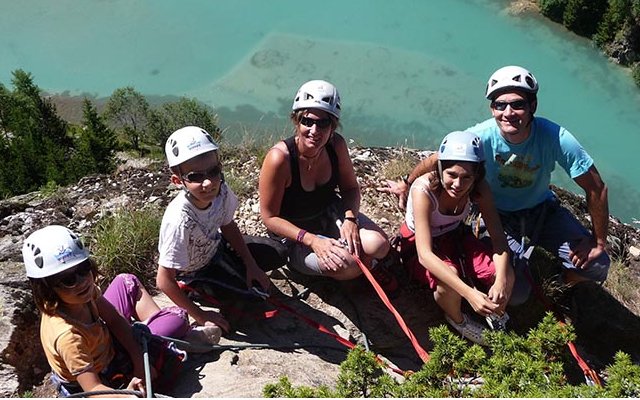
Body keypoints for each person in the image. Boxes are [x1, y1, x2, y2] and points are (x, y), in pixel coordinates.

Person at [382, 65, 610, 305]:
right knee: (516, 294)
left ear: (532, 106)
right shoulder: (481, 136)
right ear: (492, 108)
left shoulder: (556, 138)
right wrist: (407, 184)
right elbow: (438, 159)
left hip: (542, 210)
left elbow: (596, 187)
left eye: (517, 104)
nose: (508, 112)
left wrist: (598, 241)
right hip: (497, 214)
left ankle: (561, 282)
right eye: (500, 105)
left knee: (598, 264)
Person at [259, 79, 398, 292]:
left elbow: (350, 188)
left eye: (323, 123)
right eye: (307, 121)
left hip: (329, 214)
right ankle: (364, 268)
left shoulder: (336, 145)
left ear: (332, 126)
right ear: (297, 121)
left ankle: (365, 265)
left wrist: (350, 219)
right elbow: (269, 218)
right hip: (296, 237)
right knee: (348, 265)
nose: (314, 130)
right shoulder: (280, 159)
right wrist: (312, 240)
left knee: (379, 245)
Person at [21, 225, 190, 397]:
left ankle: (144, 331)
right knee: (178, 319)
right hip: (96, 376)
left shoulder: (82, 294)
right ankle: (149, 330)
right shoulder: (68, 337)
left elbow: (114, 319)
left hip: (104, 347)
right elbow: (94, 389)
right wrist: (127, 395)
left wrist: (139, 360)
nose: (81, 281)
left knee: (126, 281)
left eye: (83, 269)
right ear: (47, 288)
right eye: (68, 280)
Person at [157, 126, 280, 337]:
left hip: (218, 248)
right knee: (251, 302)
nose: (208, 183)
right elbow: (163, 280)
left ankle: (234, 276)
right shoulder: (179, 221)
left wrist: (251, 265)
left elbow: (227, 225)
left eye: (213, 172)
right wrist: (200, 315)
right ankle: (197, 292)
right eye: (195, 176)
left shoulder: (221, 190)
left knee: (278, 253)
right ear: (178, 181)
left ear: (220, 167)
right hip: (195, 272)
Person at [401, 131, 513, 345]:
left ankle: (494, 309)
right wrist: (469, 294)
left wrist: (500, 280)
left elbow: (498, 239)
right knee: (449, 278)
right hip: (421, 243)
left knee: (506, 272)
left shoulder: (480, 188)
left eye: (466, 177)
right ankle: (457, 318)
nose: (458, 184)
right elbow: (424, 254)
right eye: (451, 175)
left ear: (476, 176)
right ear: (440, 169)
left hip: (454, 235)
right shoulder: (423, 190)